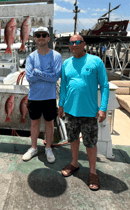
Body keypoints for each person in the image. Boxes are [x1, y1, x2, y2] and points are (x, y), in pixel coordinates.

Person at [58, 34, 109, 191]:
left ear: (84, 44)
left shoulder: (95, 61)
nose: (74, 45)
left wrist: (103, 108)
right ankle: (74, 162)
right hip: (71, 110)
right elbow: (64, 87)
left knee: (90, 143)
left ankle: (93, 171)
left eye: (78, 42)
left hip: (89, 112)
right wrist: (61, 105)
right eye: (71, 43)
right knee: (73, 138)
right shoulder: (66, 63)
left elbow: (105, 86)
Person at [23, 27, 62, 163]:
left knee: (49, 123)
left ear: (48, 38)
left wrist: (38, 72)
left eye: (44, 35)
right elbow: (29, 77)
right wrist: (47, 74)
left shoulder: (56, 56)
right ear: (35, 39)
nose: (41, 37)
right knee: (34, 123)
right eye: (38, 35)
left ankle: (48, 148)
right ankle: (33, 147)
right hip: (34, 97)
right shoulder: (30, 57)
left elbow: (55, 78)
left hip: (50, 97)